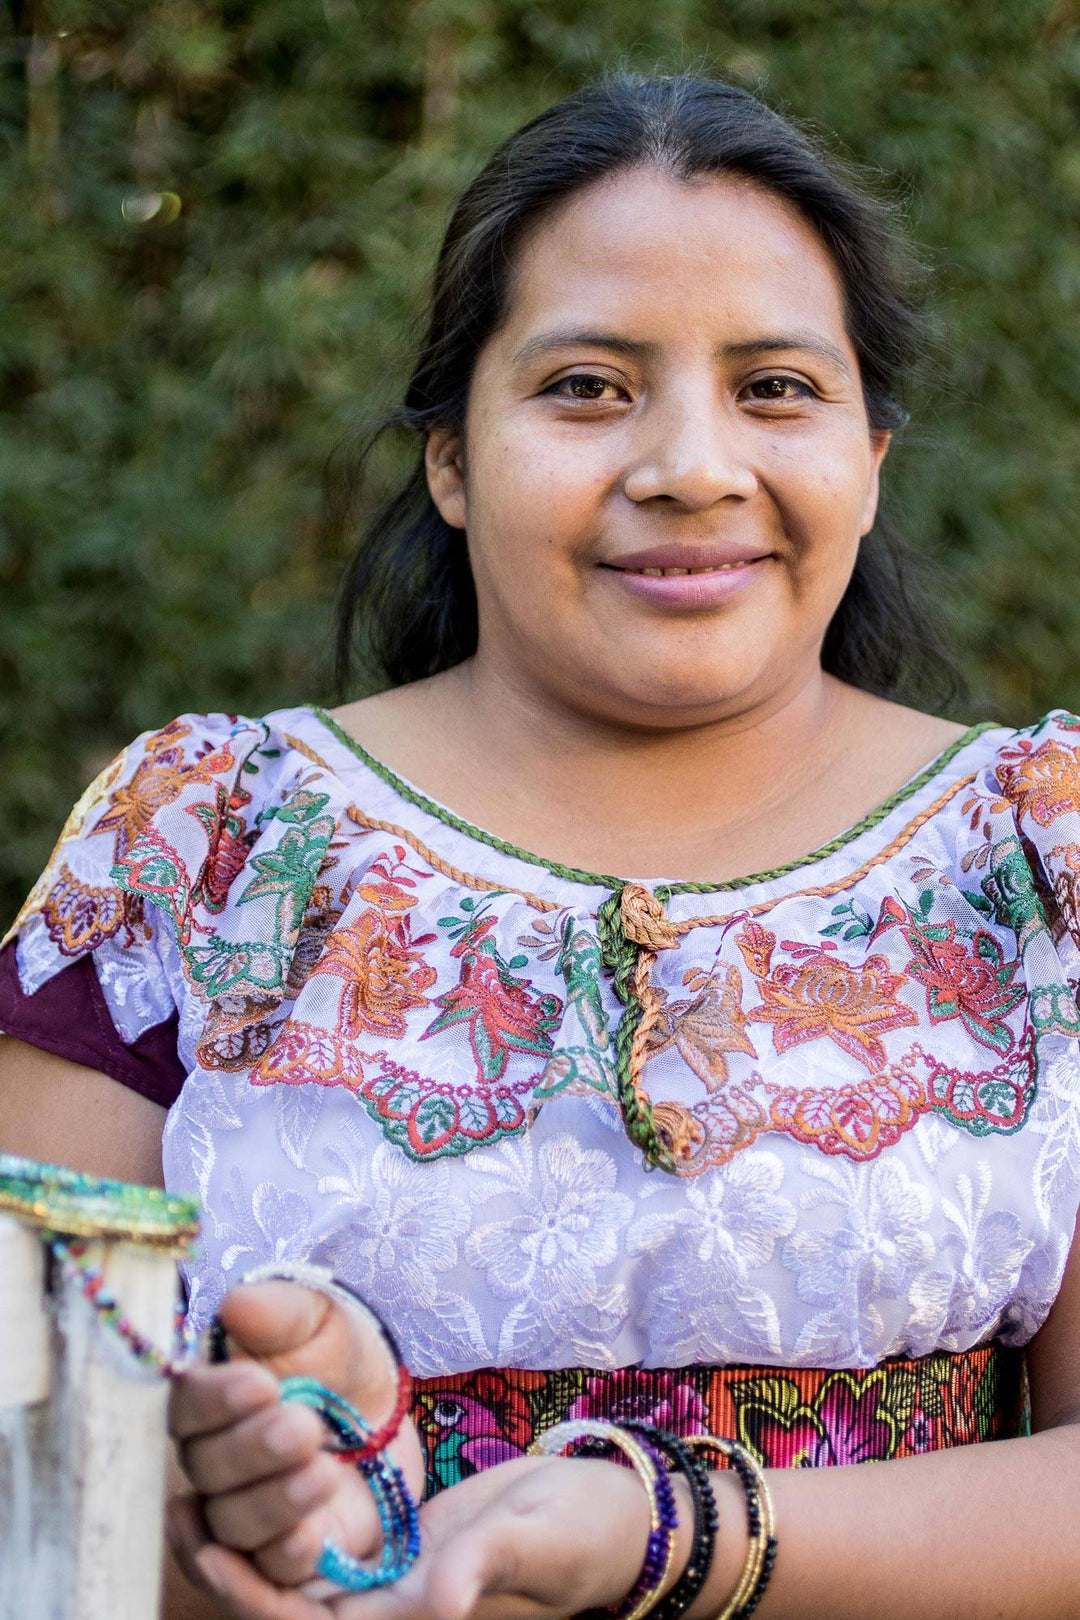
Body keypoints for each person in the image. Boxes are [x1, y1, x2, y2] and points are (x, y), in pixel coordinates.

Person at [2, 66, 1080, 1620]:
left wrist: (666, 1532)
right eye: (586, 385)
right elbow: (35, 1495)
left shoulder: (1038, 860)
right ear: (450, 457)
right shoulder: (200, 850)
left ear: (872, 459)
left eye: (777, 387)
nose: (691, 465)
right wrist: (243, 1528)